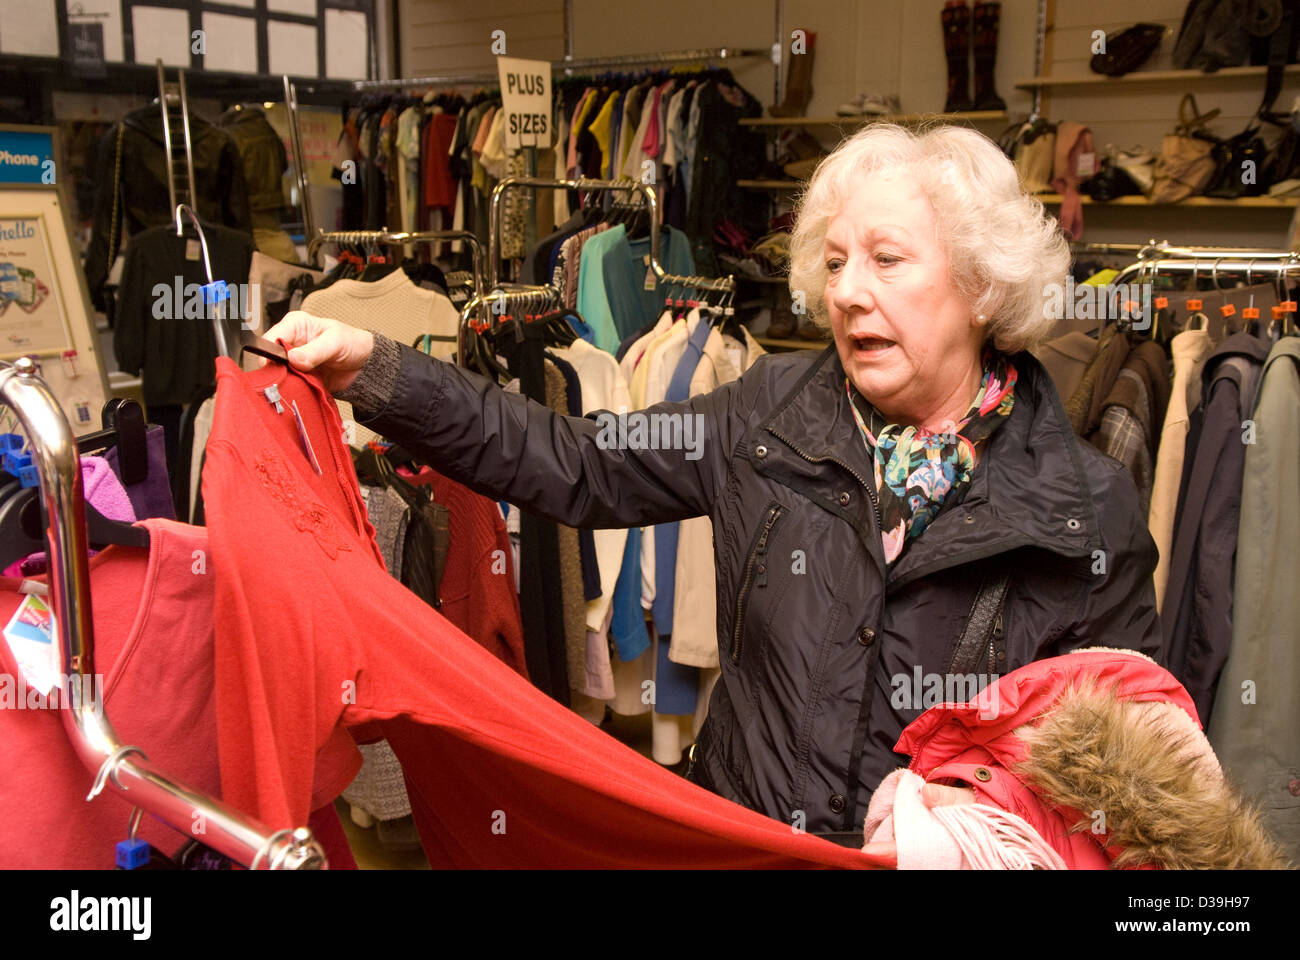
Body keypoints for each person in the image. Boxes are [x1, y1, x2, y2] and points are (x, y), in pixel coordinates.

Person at [264, 123, 1162, 837]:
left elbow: (1133, 780)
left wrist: (995, 811)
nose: (848, 293)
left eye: (887, 260)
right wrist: (376, 372)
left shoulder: (1084, 512)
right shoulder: (767, 412)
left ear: (980, 286)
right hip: (739, 836)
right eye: (837, 262)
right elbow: (575, 461)